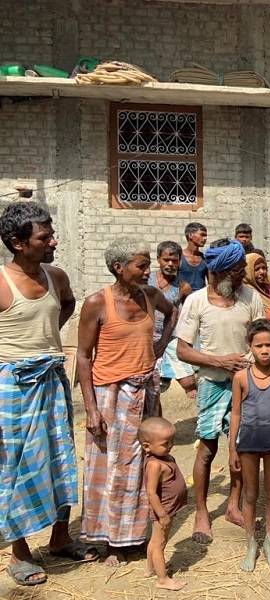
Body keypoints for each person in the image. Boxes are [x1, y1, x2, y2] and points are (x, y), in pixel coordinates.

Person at [0, 202, 94, 586]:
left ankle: (59, 538)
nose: (54, 240)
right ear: (18, 242)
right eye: (44, 236)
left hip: (52, 380)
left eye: (51, 232)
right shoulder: (1, 282)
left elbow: (67, 303)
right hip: (11, 387)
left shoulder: (56, 276)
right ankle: (19, 551)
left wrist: (46, 340)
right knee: (14, 466)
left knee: (59, 458)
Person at [78, 239, 174, 566]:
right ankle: (110, 542)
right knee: (109, 470)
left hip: (145, 392)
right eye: (141, 265)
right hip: (110, 395)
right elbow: (82, 356)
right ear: (119, 268)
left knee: (141, 466)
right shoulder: (96, 303)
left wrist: (160, 343)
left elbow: (171, 312)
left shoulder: (150, 297)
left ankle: (133, 535)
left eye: (148, 264)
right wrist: (91, 408)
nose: (149, 271)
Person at [175, 238, 263, 544]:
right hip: (211, 385)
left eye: (241, 270)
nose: (241, 275)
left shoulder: (250, 296)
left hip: (245, 385)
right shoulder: (196, 301)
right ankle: (201, 512)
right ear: (220, 270)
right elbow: (183, 351)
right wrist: (219, 361)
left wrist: (249, 364)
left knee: (240, 448)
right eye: (236, 270)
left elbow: (262, 338)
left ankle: (233, 506)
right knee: (207, 448)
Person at [229, 319, 270, 572]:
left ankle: (268, 541)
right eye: (258, 346)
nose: (264, 350)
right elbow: (235, 413)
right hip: (248, 444)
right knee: (251, 494)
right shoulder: (241, 377)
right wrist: (232, 448)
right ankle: (250, 543)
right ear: (250, 347)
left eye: (269, 345)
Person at [140, 417, 187, 591]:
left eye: (172, 441)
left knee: (155, 541)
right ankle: (162, 579)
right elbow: (151, 492)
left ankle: (149, 569)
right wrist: (162, 514)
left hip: (168, 508)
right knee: (159, 544)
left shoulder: (165, 457)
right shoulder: (154, 464)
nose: (170, 445)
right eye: (166, 443)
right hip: (163, 510)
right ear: (147, 446)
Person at [149, 241, 196, 398]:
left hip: (169, 338)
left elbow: (190, 314)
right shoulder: (146, 280)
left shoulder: (183, 287)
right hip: (146, 338)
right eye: (166, 260)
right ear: (158, 259)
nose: (170, 264)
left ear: (180, 261)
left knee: (189, 383)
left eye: (174, 260)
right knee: (149, 385)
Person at [179, 222, 208, 292]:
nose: (205, 238)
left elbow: (211, 282)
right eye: (202, 235)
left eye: (206, 236)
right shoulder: (179, 257)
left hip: (200, 298)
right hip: (183, 299)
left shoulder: (205, 259)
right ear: (190, 235)